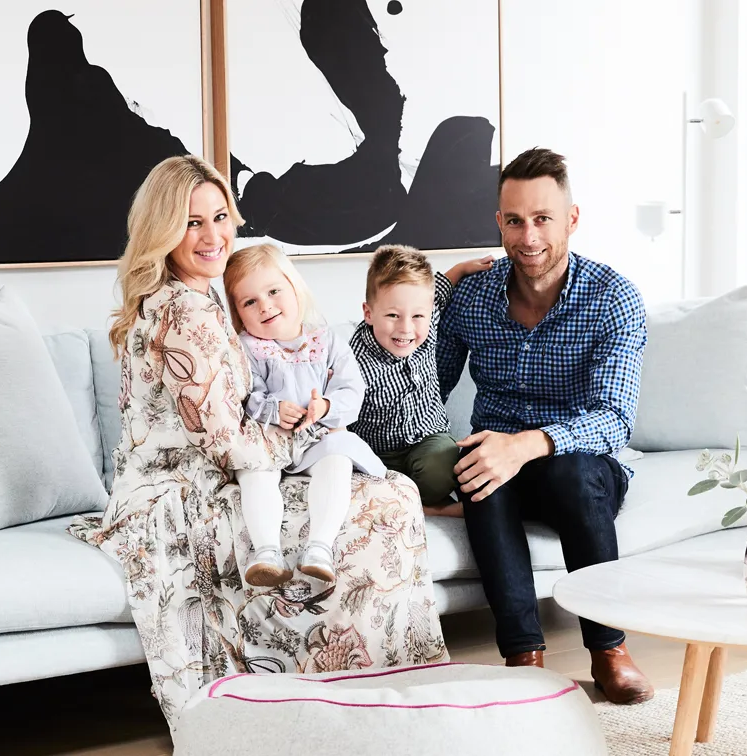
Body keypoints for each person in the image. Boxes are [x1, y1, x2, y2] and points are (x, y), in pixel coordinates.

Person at [69, 155, 446, 727]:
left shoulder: (200, 300)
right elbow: (227, 441)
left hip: (203, 475)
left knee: (376, 489)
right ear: (164, 229)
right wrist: (299, 442)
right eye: (192, 222)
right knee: (386, 500)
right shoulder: (186, 312)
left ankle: (361, 685)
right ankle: (364, 693)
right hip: (183, 494)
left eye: (220, 216)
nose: (212, 234)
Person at [437, 147, 652, 705]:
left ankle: (608, 648)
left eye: (542, 219)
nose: (528, 236)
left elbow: (614, 418)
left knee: (571, 474)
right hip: (499, 463)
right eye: (514, 220)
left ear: (572, 220)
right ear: (498, 222)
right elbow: (420, 384)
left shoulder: (612, 296)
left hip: (583, 468)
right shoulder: (472, 297)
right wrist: (438, 289)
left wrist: (527, 445)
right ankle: (523, 655)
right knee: (479, 469)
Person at [222, 244, 386, 586]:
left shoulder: (326, 339)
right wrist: (272, 409)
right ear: (238, 312)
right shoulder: (245, 348)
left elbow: (351, 389)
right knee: (254, 472)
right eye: (249, 302)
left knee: (337, 460)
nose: (265, 305)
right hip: (270, 438)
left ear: (294, 288)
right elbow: (243, 396)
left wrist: (324, 406)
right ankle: (266, 551)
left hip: (317, 437)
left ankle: (319, 548)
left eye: (273, 291)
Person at [349, 245, 493, 518]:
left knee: (447, 464)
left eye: (417, 316)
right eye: (393, 315)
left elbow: (440, 288)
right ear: (368, 313)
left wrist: (462, 268)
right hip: (378, 451)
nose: (406, 328)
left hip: (428, 437)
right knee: (359, 483)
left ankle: (420, 500)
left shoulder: (429, 314)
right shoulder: (353, 360)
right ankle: (425, 508)